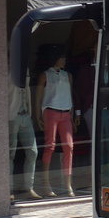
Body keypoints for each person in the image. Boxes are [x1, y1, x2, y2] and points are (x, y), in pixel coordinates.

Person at [34, 47, 77, 197]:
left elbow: (71, 94)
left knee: (69, 147)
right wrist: (37, 113)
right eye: (62, 57)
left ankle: (68, 184)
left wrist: (74, 113)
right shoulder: (45, 75)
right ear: (55, 59)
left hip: (66, 112)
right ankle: (46, 184)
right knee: (50, 146)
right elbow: (38, 96)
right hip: (51, 110)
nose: (64, 60)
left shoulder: (68, 75)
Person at [8, 77, 39, 200]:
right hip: (12, 115)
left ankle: (29, 187)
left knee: (33, 152)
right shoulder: (6, 70)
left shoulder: (23, 69)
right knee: (10, 154)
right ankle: (8, 189)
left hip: (26, 115)